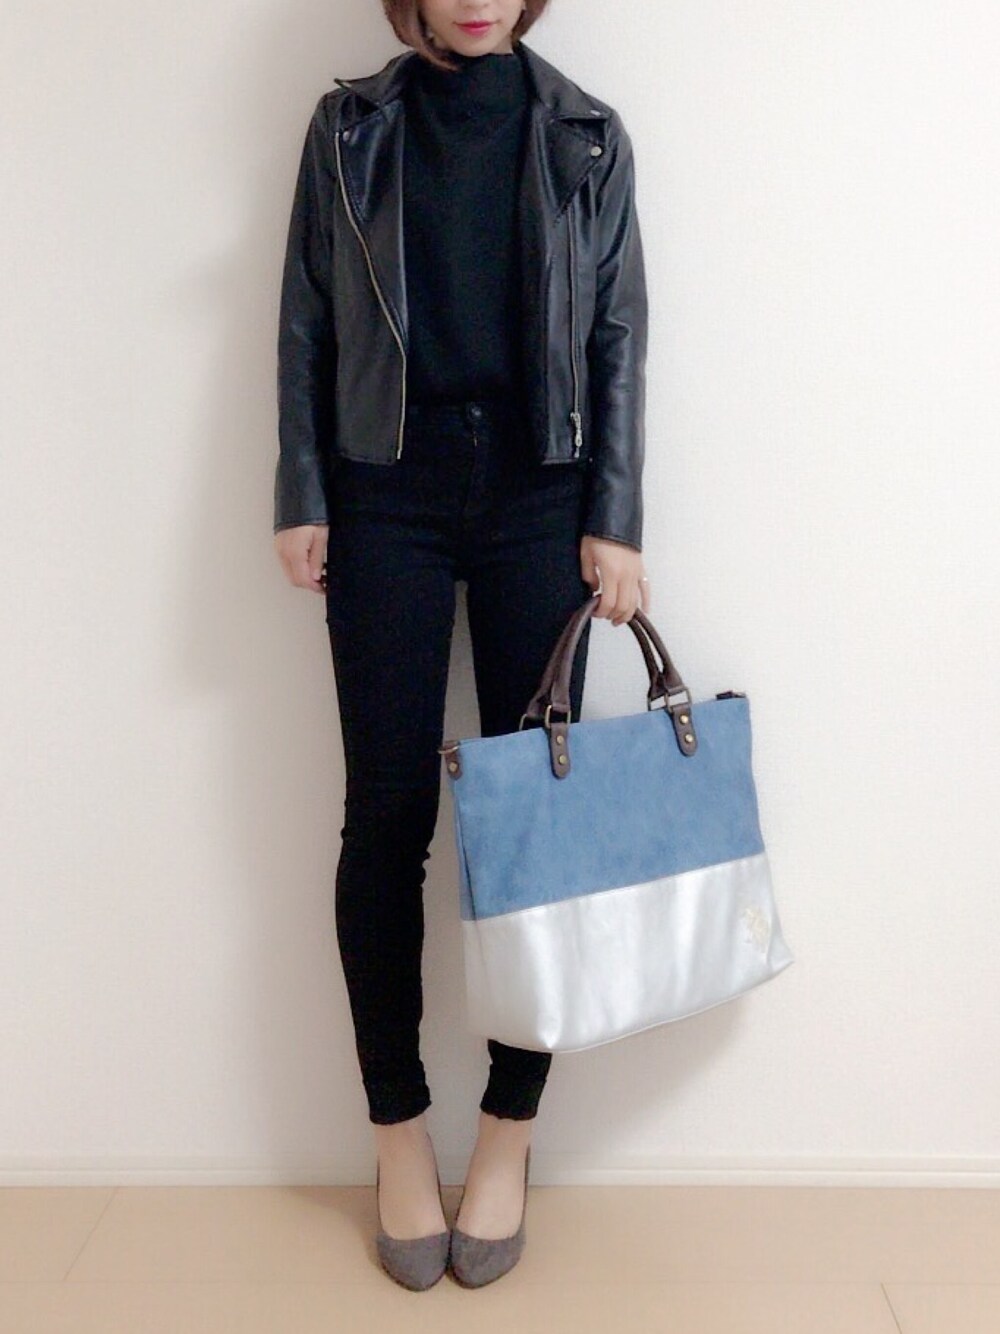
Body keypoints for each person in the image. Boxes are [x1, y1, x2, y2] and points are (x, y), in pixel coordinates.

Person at [272, 0, 650, 1290]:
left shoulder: (586, 135)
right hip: (385, 488)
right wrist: (302, 489)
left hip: (543, 492)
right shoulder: (349, 128)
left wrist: (614, 518)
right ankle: (395, 1134)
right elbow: (308, 318)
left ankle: (507, 1133)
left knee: (529, 822)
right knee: (387, 814)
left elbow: (618, 333)